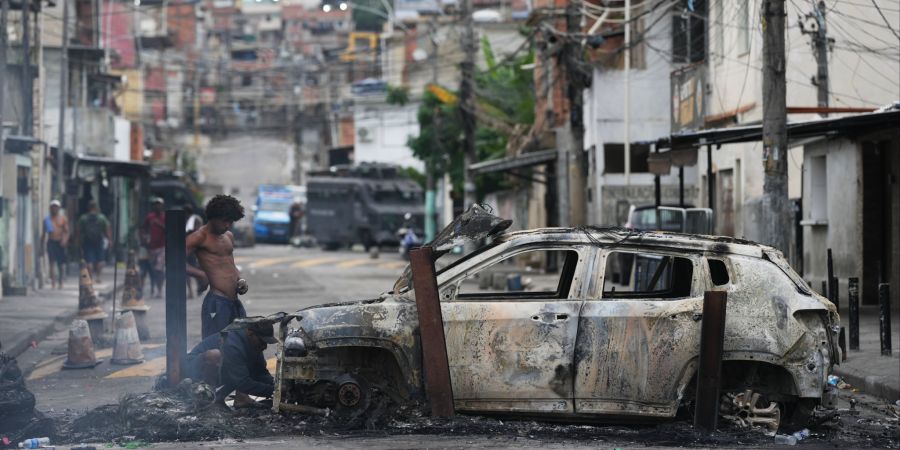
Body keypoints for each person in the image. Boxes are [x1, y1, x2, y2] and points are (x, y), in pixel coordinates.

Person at [186, 195, 249, 338]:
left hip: (234, 302)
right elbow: (173, 261)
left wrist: (240, 280)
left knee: (242, 344)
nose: (227, 225)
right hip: (217, 302)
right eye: (224, 221)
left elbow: (231, 265)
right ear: (213, 217)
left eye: (230, 222)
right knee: (214, 348)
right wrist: (200, 274)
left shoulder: (228, 236)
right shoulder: (200, 237)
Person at [184, 321, 277, 406]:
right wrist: (273, 392)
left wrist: (278, 386)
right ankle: (207, 401)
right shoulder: (233, 344)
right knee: (215, 355)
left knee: (241, 369)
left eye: (266, 343)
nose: (265, 346)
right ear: (250, 333)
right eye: (262, 341)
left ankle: (219, 399)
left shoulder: (254, 345)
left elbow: (261, 373)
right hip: (193, 370)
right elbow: (243, 383)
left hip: (223, 370)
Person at [77, 201, 111, 282]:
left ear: (88, 207)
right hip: (99, 240)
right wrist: (109, 239)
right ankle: (98, 277)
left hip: (87, 240)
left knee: (89, 260)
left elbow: (78, 231)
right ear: (96, 207)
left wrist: (78, 241)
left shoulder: (83, 218)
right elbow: (107, 229)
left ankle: (90, 277)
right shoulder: (101, 217)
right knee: (100, 259)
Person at [142, 198, 167, 298]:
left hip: (162, 246)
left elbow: (168, 229)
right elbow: (143, 228)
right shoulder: (149, 217)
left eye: (159, 204)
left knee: (159, 269)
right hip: (151, 247)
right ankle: (155, 287)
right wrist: (144, 238)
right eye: (156, 204)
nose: (157, 206)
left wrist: (159, 224)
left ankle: (160, 289)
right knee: (152, 269)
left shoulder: (164, 217)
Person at [43, 200, 70, 289]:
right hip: (51, 242)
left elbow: (66, 232)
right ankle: (53, 282)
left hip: (60, 243)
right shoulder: (47, 220)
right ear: (50, 208)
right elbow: (44, 234)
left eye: (56, 207)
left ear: (58, 208)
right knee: (51, 263)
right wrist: (41, 246)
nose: (54, 209)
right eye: (53, 207)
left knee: (60, 264)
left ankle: (60, 282)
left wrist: (64, 240)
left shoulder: (62, 219)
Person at [185, 204, 203, 299]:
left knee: (193, 269)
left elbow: (197, 231)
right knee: (188, 270)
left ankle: (198, 288)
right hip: (189, 247)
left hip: (194, 247)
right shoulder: (188, 219)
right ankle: (192, 291)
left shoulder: (194, 219)